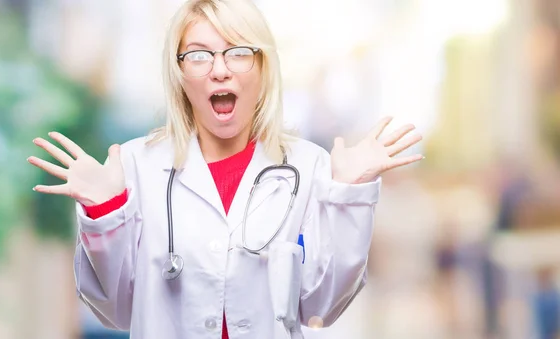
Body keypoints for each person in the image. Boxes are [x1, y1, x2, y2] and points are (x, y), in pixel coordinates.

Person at [27, 0, 423, 338]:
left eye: (238, 52)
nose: (220, 69)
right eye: (199, 54)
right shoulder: (135, 167)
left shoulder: (308, 167)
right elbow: (116, 309)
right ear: (180, 74)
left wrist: (349, 196)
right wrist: (105, 211)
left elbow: (320, 307)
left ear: (263, 67)